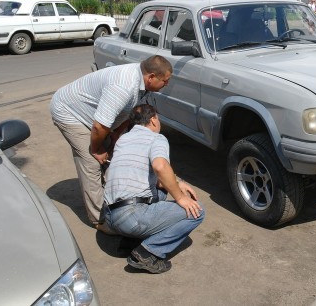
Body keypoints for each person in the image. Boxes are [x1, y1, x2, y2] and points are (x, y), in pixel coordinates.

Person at [49, 55, 173, 231]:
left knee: (112, 155)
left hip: (96, 116)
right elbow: (99, 127)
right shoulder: (123, 86)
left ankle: (114, 202)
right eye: (165, 81)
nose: (166, 85)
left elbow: (128, 110)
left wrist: (115, 135)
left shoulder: (141, 80)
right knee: (91, 162)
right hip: (70, 112)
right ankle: (100, 219)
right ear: (151, 77)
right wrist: (96, 149)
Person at [103, 104, 204, 274]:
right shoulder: (156, 138)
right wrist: (180, 197)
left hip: (109, 215)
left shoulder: (123, 139)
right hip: (131, 216)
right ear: (153, 120)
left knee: (161, 191)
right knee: (197, 212)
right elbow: (160, 166)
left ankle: (129, 242)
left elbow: (148, 176)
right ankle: (146, 253)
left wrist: (177, 182)